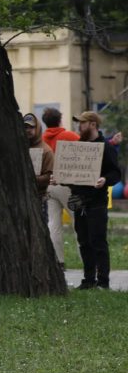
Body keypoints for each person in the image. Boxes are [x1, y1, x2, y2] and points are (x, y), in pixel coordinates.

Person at [65, 111, 122, 290]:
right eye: (78, 123)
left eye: (82, 123)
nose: (78, 127)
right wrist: (59, 178)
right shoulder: (76, 147)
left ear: (92, 124)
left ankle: (103, 281)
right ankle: (88, 279)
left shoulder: (106, 146)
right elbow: (69, 173)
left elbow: (115, 173)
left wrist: (105, 180)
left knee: (98, 240)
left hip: (97, 201)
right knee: (83, 241)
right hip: (78, 199)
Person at [41, 107, 79, 270]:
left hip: (49, 185)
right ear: (60, 120)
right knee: (79, 222)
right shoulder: (69, 136)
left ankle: (58, 261)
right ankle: (87, 259)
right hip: (68, 186)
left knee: (53, 224)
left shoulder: (41, 139)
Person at [24, 113, 54, 222]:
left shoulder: (46, 151)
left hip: (38, 199)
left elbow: (49, 177)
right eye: (25, 127)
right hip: (22, 200)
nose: (28, 130)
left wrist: (30, 179)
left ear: (38, 128)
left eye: (31, 127)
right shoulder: (20, 148)